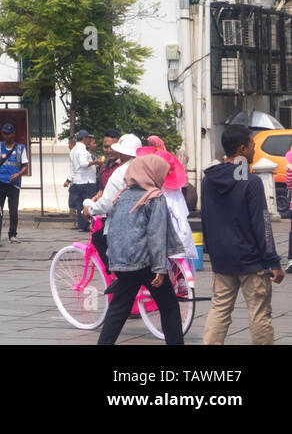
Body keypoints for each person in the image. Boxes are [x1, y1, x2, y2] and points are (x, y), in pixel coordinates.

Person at [201, 125, 284, 345]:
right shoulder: (251, 181)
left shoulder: (208, 180)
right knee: (259, 314)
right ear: (241, 149)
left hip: (222, 259)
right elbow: (262, 224)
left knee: (219, 310)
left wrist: (211, 251)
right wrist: (273, 261)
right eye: (252, 145)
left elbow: (206, 218)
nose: (255, 150)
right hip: (251, 261)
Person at [97, 154, 186, 345]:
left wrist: (113, 262)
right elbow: (156, 235)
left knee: (118, 309)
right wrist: (160, 268)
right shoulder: (154, 197)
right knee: (169, 306)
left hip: (123, 263)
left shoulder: (121, 195)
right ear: (153, 174)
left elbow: (113, 230)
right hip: (145, 264)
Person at [83, 133, 142, 271]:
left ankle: (114, 273)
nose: (109, 151)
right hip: (145, 221)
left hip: (123, 224)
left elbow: (107, 203)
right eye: (106, 147)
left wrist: (90, 210)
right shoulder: (147, 168)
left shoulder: (120, 172)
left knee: (98, 238)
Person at [0, 123, 28, 242]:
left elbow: (25, 165)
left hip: (13, 184)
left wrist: (18, 174)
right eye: (4, 134)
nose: (6, 136)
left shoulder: (21, 148)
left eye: (9, 133)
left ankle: (12, 234)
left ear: (14, 134)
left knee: (13, 210)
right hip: (0, 183)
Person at [67, 130, 99, 233]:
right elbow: (84, 164)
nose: (90, 140)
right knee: (89, 202)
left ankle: (82, 225)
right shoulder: (82, 150)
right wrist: (96, 162)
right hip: (87, 181)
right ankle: (92, 225)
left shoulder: (73, 150)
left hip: (78, 181)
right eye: (89, 138)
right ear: (84, 138)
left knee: (80, 204)